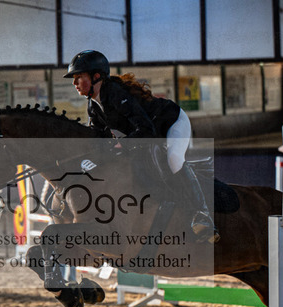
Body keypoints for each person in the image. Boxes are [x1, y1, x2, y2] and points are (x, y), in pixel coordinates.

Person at [64, 50, 219, 244]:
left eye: (79, 77)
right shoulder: (93, 105)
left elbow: (146, 130)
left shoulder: (115, 94)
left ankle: (202, 214)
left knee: (174, 159)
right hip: (148, 134)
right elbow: (99, 139)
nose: (74, 83)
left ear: (96, 76)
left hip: (172, 123)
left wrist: (121, 144)